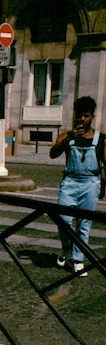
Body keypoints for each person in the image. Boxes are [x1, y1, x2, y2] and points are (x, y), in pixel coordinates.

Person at [50, 96, 105, 277]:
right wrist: (70, 137)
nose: (82, 119)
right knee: (63, 219)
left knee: (84, 224)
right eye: (79, 116)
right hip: (70, 182)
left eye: (86, 116)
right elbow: (53, 154)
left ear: (92, 117)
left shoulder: (100, 139)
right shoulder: (66, 136)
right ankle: (67, 248)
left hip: (90, 183)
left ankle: (78, 259)